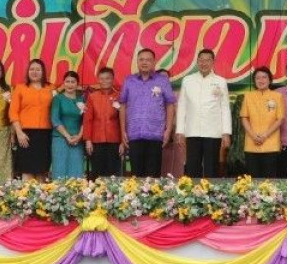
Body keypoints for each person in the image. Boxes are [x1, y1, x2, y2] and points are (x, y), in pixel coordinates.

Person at [119, 48, 176, 177]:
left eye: (148, 60)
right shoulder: (129, 81)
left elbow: (170, 105)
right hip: (134, 134)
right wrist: (123, 131)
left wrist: (168, 130)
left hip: (156, 134)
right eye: (141, 59)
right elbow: (123, 105)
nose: (144, 62)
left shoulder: (162, 80)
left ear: (154, 62)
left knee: (153, 175)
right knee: (136, 176)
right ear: (137, 62)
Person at [177, 48, 232, 178]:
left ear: (213, 62)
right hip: (192, 130)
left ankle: (211, 190)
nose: (204, 63)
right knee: (192, 167)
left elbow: (225, 108)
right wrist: (180, 131)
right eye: (201, 60)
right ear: (197, 62)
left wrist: (226, 132)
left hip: (213, 131)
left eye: (207, 60)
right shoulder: (187, 80)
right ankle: (192, 191)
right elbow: (182, 106)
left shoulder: (221, 81)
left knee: (211, 168)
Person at [10, 58, 55, 180]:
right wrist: (19, 133)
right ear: (28, 71)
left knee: (42, 171)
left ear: (43, 72)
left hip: (45, 134)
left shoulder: (51, 88)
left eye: (38, 69)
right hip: (25, 134)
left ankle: (41, 193)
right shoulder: (20, 88)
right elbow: (13, 112)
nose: (35, 72)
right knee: (27, 170)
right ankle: (26, 192)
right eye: (32, 69)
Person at [239, 66, 283, 177]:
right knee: (252, 179)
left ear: (270, 80)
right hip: (251, 143)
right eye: (257, 78)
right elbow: (244, 117)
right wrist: (253, 136)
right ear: (254, 81)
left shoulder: (277, 96)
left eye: (264, 77)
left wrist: (264, 136)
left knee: (269, 180)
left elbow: (280, 119)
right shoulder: (248, 96)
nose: (261, 80)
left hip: (271, 144)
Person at [83, 67, 123, 177]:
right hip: (96, 141)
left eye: (107, 78)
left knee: (113, 174)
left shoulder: (119, 96)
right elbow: (88, 120)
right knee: (97, 173)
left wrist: (122, 142)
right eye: (102, 78)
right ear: (98, 80)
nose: (104, 81)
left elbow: (123, 121)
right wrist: (88, 140)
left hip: (114, 141)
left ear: (113, 79)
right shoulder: (92, 97)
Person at [49, 70, 87, 180]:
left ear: (77, 84)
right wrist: (67, 136)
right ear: (63, 83)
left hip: (77, 140)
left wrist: (79, 136)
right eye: (67, 81)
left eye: (73, 82)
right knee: (59, 170)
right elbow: (55, 119)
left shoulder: (82, 99)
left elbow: (85, 120)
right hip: (60, 138)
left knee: (76, 171)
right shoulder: (58, 99)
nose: (70, 84)